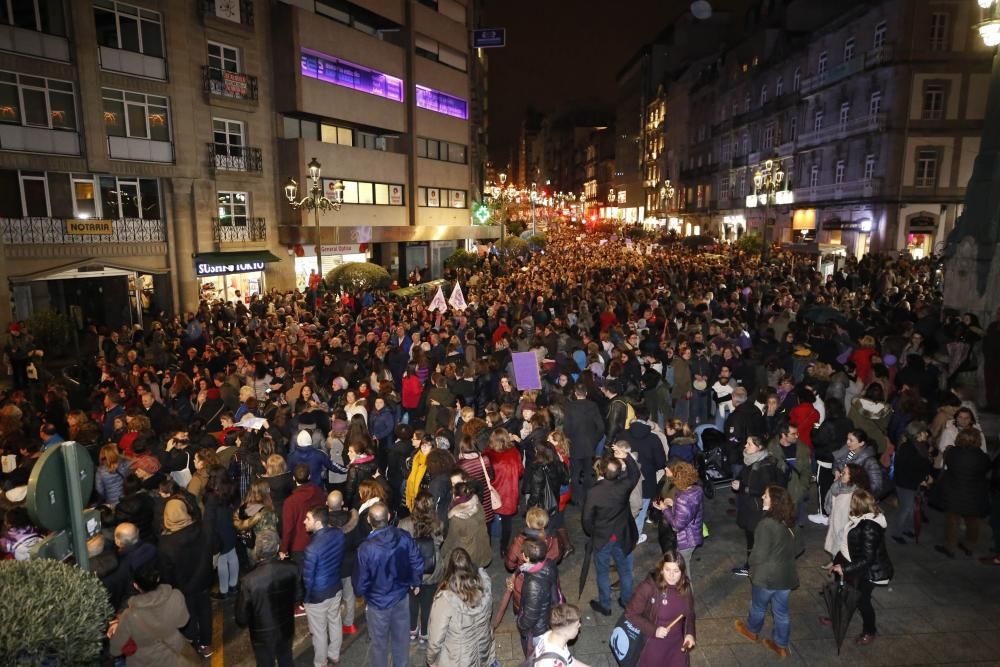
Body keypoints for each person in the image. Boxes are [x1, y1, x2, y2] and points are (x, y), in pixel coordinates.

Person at [733, 485, 802, 658]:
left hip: (767, 577)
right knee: (781, 612)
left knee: (758, 606)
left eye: (766, 496)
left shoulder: (766, 524)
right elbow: (799, 547)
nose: (762, 497)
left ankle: (752, 630)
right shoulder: (790, 520)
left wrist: (750, 564)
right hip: (786, 576)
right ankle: (781, 645)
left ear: (774, 502)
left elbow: (759, 554)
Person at [353, 502, 424, 667]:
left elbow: (360, 582)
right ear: (389, 517)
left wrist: (361, 592)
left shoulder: (365, 549)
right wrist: (415, 581)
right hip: (401, 597)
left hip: (377, 604)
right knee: (401, 639)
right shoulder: (403, 536)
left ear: (369, 520)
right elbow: (417, 560)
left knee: (379, 644)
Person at [828, 488, 894, 646]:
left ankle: (870, 631)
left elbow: (867, 559)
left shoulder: (870, 527)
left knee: (862, 601)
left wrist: (844, 569)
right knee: (842, 591)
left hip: (868, 573)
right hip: (852, 564)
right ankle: (837, 617)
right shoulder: (860, 518)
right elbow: (851, 544)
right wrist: (839, 560)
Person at [582, 440, 640, 616]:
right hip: (622, 534)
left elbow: (586, 518)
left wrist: (593, 531)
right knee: (626, 570)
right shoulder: (623, 486)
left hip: (603, 537)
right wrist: (627, 456)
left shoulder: (594, 492)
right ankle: (626, 600)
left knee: (602, 571)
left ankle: (606, 604)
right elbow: (635, 474)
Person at [107, 562, 201, 666]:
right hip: (176, 654)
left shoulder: (130, 615)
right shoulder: (175, 595)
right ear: (158, 579)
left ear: (136, 586)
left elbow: (115, 650)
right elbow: (183, 622)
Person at [156, 497, 214, 658]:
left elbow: (166, 573)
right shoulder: (200, 529)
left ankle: (193, 645)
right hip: (202, 582)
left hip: (182, 588)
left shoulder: (165, 544)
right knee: (205, 611)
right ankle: (206, 644)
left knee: (188, 616)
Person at [235, 529, 300, 667]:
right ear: (277, 547)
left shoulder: (248, 580)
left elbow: (241, 618)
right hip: (286, 627)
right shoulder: (292, 568)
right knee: (286, 659)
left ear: (257, 550)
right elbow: (298, 595)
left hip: (262, 635)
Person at [425, 547, 498, 667]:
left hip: (458, 661)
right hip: (482, 653)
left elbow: (435, 640)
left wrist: (431, 660)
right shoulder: (484, 586)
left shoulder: (445, 601)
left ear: (450, 570)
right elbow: (488, 621)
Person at [624, 550, 697, 666]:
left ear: (682, 572)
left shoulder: (685, 586)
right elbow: (630, 614)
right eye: (667, 570)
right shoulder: (648, 587)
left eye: (676, 571)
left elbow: (689, 614)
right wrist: (654, 630)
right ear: (662, 569)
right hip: (653, 644)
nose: (671, 575)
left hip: (676, 645)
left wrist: (689, 633)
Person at [935, 426, 992, 559]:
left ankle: (950, 547)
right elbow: (986, 470)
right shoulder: (983, 457)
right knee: (972, 521)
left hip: (954, 492)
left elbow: (947, 461)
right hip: (974, 495)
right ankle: (969, 545)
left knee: (952, 521)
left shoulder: (952, 452)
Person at [731, 435, 781, 576]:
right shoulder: (750, 459)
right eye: (746, 443)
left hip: (757, 510)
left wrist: (743, 486)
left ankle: (753, 567)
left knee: (755, 539)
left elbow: (766, 489)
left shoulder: (764, 465)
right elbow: (744, 476)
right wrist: (738, 481)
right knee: (751, 538)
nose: (746, 446)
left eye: (750, 444)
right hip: (750, 507)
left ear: (759, 448)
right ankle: (752, 565)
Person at [302, 506, 346, 667]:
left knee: (319, 632)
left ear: (318, 523)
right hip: (335, 588)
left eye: (308, 519)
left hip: (318, 596)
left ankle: (321, 662)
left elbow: (308, 579)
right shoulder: (339, 534)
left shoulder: (311, 549)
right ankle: (334, 654)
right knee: (334, 621)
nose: (304, 521)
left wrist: (306, 600)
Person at [399, 490, 445, 643]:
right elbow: (438, 543)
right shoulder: (438, 523)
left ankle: (412, 629)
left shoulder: (404, 523)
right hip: (433, 569)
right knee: (427, 603)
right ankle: (424, 633)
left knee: (412, 600)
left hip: (412, 570)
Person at [652, 461, 704, 577]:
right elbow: (689, 511)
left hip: (685, 540)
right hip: (694, 534)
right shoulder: (696, 490)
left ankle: (686, 594)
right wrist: (674, 504)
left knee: (683, 573)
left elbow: (677, 525)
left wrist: (665, 508)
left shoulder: (682, 498)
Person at [515, 537, 561, 657]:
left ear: (527, 558)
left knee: (535, 657)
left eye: (523, 552)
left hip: (538, 629)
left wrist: (520, 624)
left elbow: (530, 616)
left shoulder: (533, 584)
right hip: (547, 619)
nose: (521, 554)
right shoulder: (549, 564)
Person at [890, 421, 933, 545]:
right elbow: (908, 469)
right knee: (906, 509)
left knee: (912, 508)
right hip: (906, 485)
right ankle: (896, 533)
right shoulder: (907, 448)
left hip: (913, 484)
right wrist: (922, 480)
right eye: (924, 431)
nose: (927, 434)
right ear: (918, 434)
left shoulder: (920, 445)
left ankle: (907, 529)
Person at [483, 427, 524, 557]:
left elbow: (485, 474)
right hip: (509, 493)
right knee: (507, 522)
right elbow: (521, 471)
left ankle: (487, 547)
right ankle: (503, 548)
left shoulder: (488, 454)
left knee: (488, 521)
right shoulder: (514, 452)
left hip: (493, 493)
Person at [563, 384, 604, 504]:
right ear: (586, 393)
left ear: (575, 394)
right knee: (588, 472)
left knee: (575, 473)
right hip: (589, 446)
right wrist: (594, 440)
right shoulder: (593, 406)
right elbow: (601, 427)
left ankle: (576, 498)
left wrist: (570, 439)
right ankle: (588, 497)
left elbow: (566, 428)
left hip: (574, 445)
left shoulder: (569, 407)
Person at [823, 463, 872, 559]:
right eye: (842, 472)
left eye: (844, 473)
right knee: (835, 551)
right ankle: (834, 561)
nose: (841, 474)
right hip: (835, 526)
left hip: (845, 533)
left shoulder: (856, 495)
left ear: (852, 477)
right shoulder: (838, 486)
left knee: (842, 556)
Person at [280, 464, 326, 565]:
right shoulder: (318, 491)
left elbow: (288, 527)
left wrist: (284, 549)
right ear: (309, 476)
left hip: (299, 545)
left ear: (293, 478)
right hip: (318, 539)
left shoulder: (290, 501)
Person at [440, 481, 492, 568]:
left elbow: (450, 540)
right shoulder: (478, 505)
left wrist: (441, 554)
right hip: (483, 548)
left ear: (456, 497)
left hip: (469, 556)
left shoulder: (457, 519)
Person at [504, 506, 561, 571]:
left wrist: (518, 567)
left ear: (528, 523)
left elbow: (510, 564)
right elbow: (557, 557)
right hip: (547, 574)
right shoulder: (552, 538)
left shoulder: (518, 542)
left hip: (527, 575)